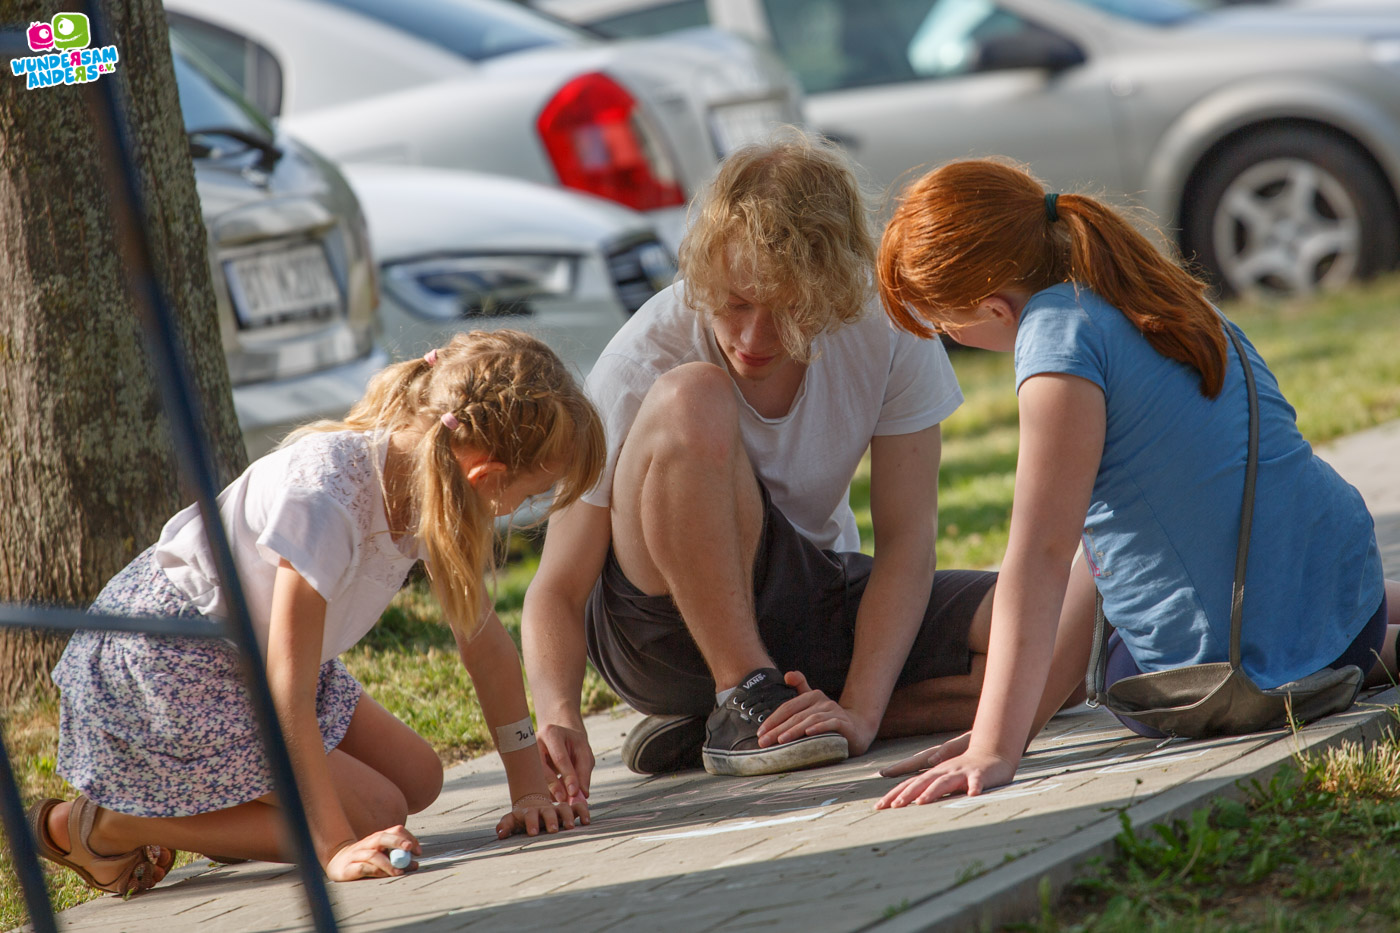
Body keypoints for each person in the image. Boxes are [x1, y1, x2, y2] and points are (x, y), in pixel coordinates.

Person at [520, 134, 1096, 795]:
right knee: (695, 392)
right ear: (705, 274)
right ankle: (740, 693)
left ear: (831, 286)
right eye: (735, 302)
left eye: (789, 308)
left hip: (810, 597)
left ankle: (782, 720)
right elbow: (557, 588)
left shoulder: (887, 328)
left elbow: (908, 543)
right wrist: (559, 714)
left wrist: (860, 711)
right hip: (658, 628)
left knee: (1054, 664)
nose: (754, 337)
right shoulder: (641, 356)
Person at [872, 158, 1400, 808]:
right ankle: (1340, 650)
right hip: (1354, 600)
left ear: (989, 306)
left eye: (942, 326)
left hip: (1219, 663)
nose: (950, 339)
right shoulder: (1146, 293)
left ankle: (1315, 658)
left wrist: (994, 747)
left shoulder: (1054, 338)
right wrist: (1003, 726)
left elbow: (1039, 556)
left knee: (1116, 647)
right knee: (1114, 549)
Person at [28, 330, 604, 895]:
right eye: (527, 495)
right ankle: (107, 824)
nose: (521, 510)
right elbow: (288, 689)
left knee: (420, 779)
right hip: (168, 664)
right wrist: (333, 849)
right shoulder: (326, 500)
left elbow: (484, 644)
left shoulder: (430, 478)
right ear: (484, 473)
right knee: (376, 812)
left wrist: (528, 787)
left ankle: (222, 812)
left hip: (248, 660)